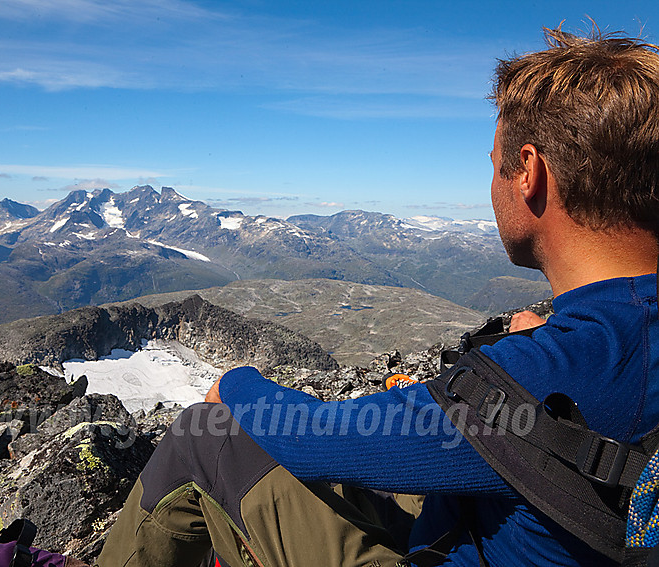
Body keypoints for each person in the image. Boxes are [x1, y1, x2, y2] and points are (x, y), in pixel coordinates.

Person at [96, 25, 659, 567]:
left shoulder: (531, 377)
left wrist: (237, 383)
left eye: (494, 165)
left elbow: (318, 440)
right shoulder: (586, 356)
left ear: (529, 172)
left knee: (205, 438)